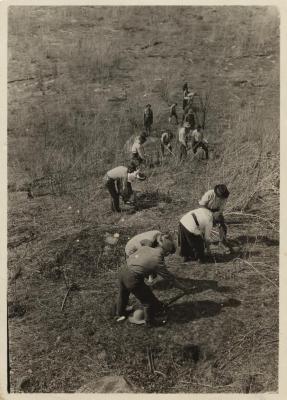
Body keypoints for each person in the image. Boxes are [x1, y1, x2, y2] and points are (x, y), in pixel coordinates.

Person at [116, 238, 187, 326]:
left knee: (123, 294)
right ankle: (150, 322)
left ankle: (120, 313)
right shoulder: (158, 260)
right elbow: (170, 278)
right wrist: (184, 288)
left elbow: (141, 246)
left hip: (123, 270)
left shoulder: (146, 248)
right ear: (167, 253)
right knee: (148, 301)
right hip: (132, 277)